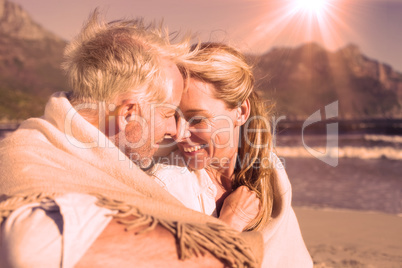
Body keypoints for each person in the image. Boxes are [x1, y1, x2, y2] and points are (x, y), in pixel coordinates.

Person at [0, 12, 263, 267]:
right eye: (169, 114)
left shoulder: (64, 145)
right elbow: (29, 248)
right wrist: (224, 237)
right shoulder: (26, 160)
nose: (177, 131)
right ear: (128, 114)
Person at [151, 43, 313, 267]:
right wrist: (229, 223)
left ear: (241, 112)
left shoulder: (271, 171)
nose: (179, 134)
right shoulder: (168, 185)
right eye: (174, 116)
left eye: (197, 119)